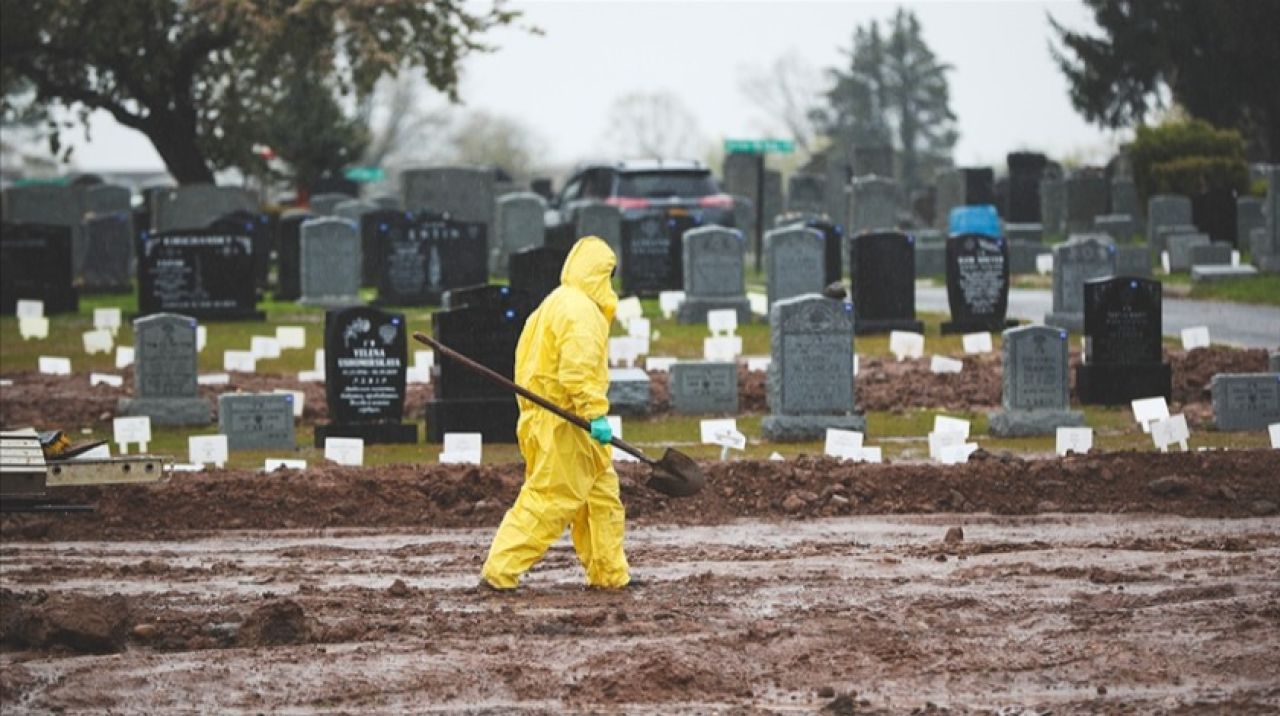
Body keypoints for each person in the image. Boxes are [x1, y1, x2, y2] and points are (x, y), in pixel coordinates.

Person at [480, 236, 630, 590]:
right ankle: (499, 572)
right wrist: (595, 414)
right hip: (566, 425)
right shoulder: (580, 312)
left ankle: (610, 575)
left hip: (554, 421)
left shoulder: (554, 303)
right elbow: (576, 371)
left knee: (600, 499)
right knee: (550, 500)